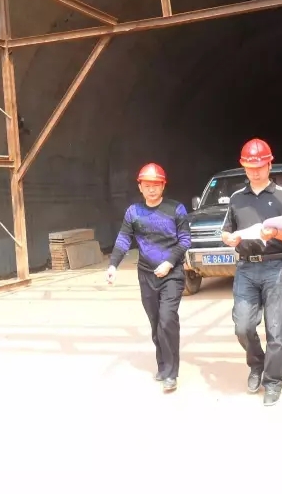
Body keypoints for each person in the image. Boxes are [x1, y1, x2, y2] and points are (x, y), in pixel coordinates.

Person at [221, 138, 282, 406]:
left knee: (276, 330)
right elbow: (226, 231)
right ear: (243, 166)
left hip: (275, 266)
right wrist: (228, 238)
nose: (255, 172)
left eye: (259, 166)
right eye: (249, 167)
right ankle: (257, 364)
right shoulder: (237, 198)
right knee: (243, 327)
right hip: (246, 267)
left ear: (269, 165)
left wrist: (275, 232)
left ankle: (273, 382)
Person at [106, 163, 191, 392]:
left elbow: (185, 240)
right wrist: (113, 264)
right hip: (146, 274)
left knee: (167, 319)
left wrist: (169, 262)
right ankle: (162, 365)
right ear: (140, 187)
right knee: (155, 322)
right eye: (147, 185)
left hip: (172, 274)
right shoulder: (133, 212)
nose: (151, 189)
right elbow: (124, 239)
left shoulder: (176, 209)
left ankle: (171, 373)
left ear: (163, 185)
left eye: (156, 185)